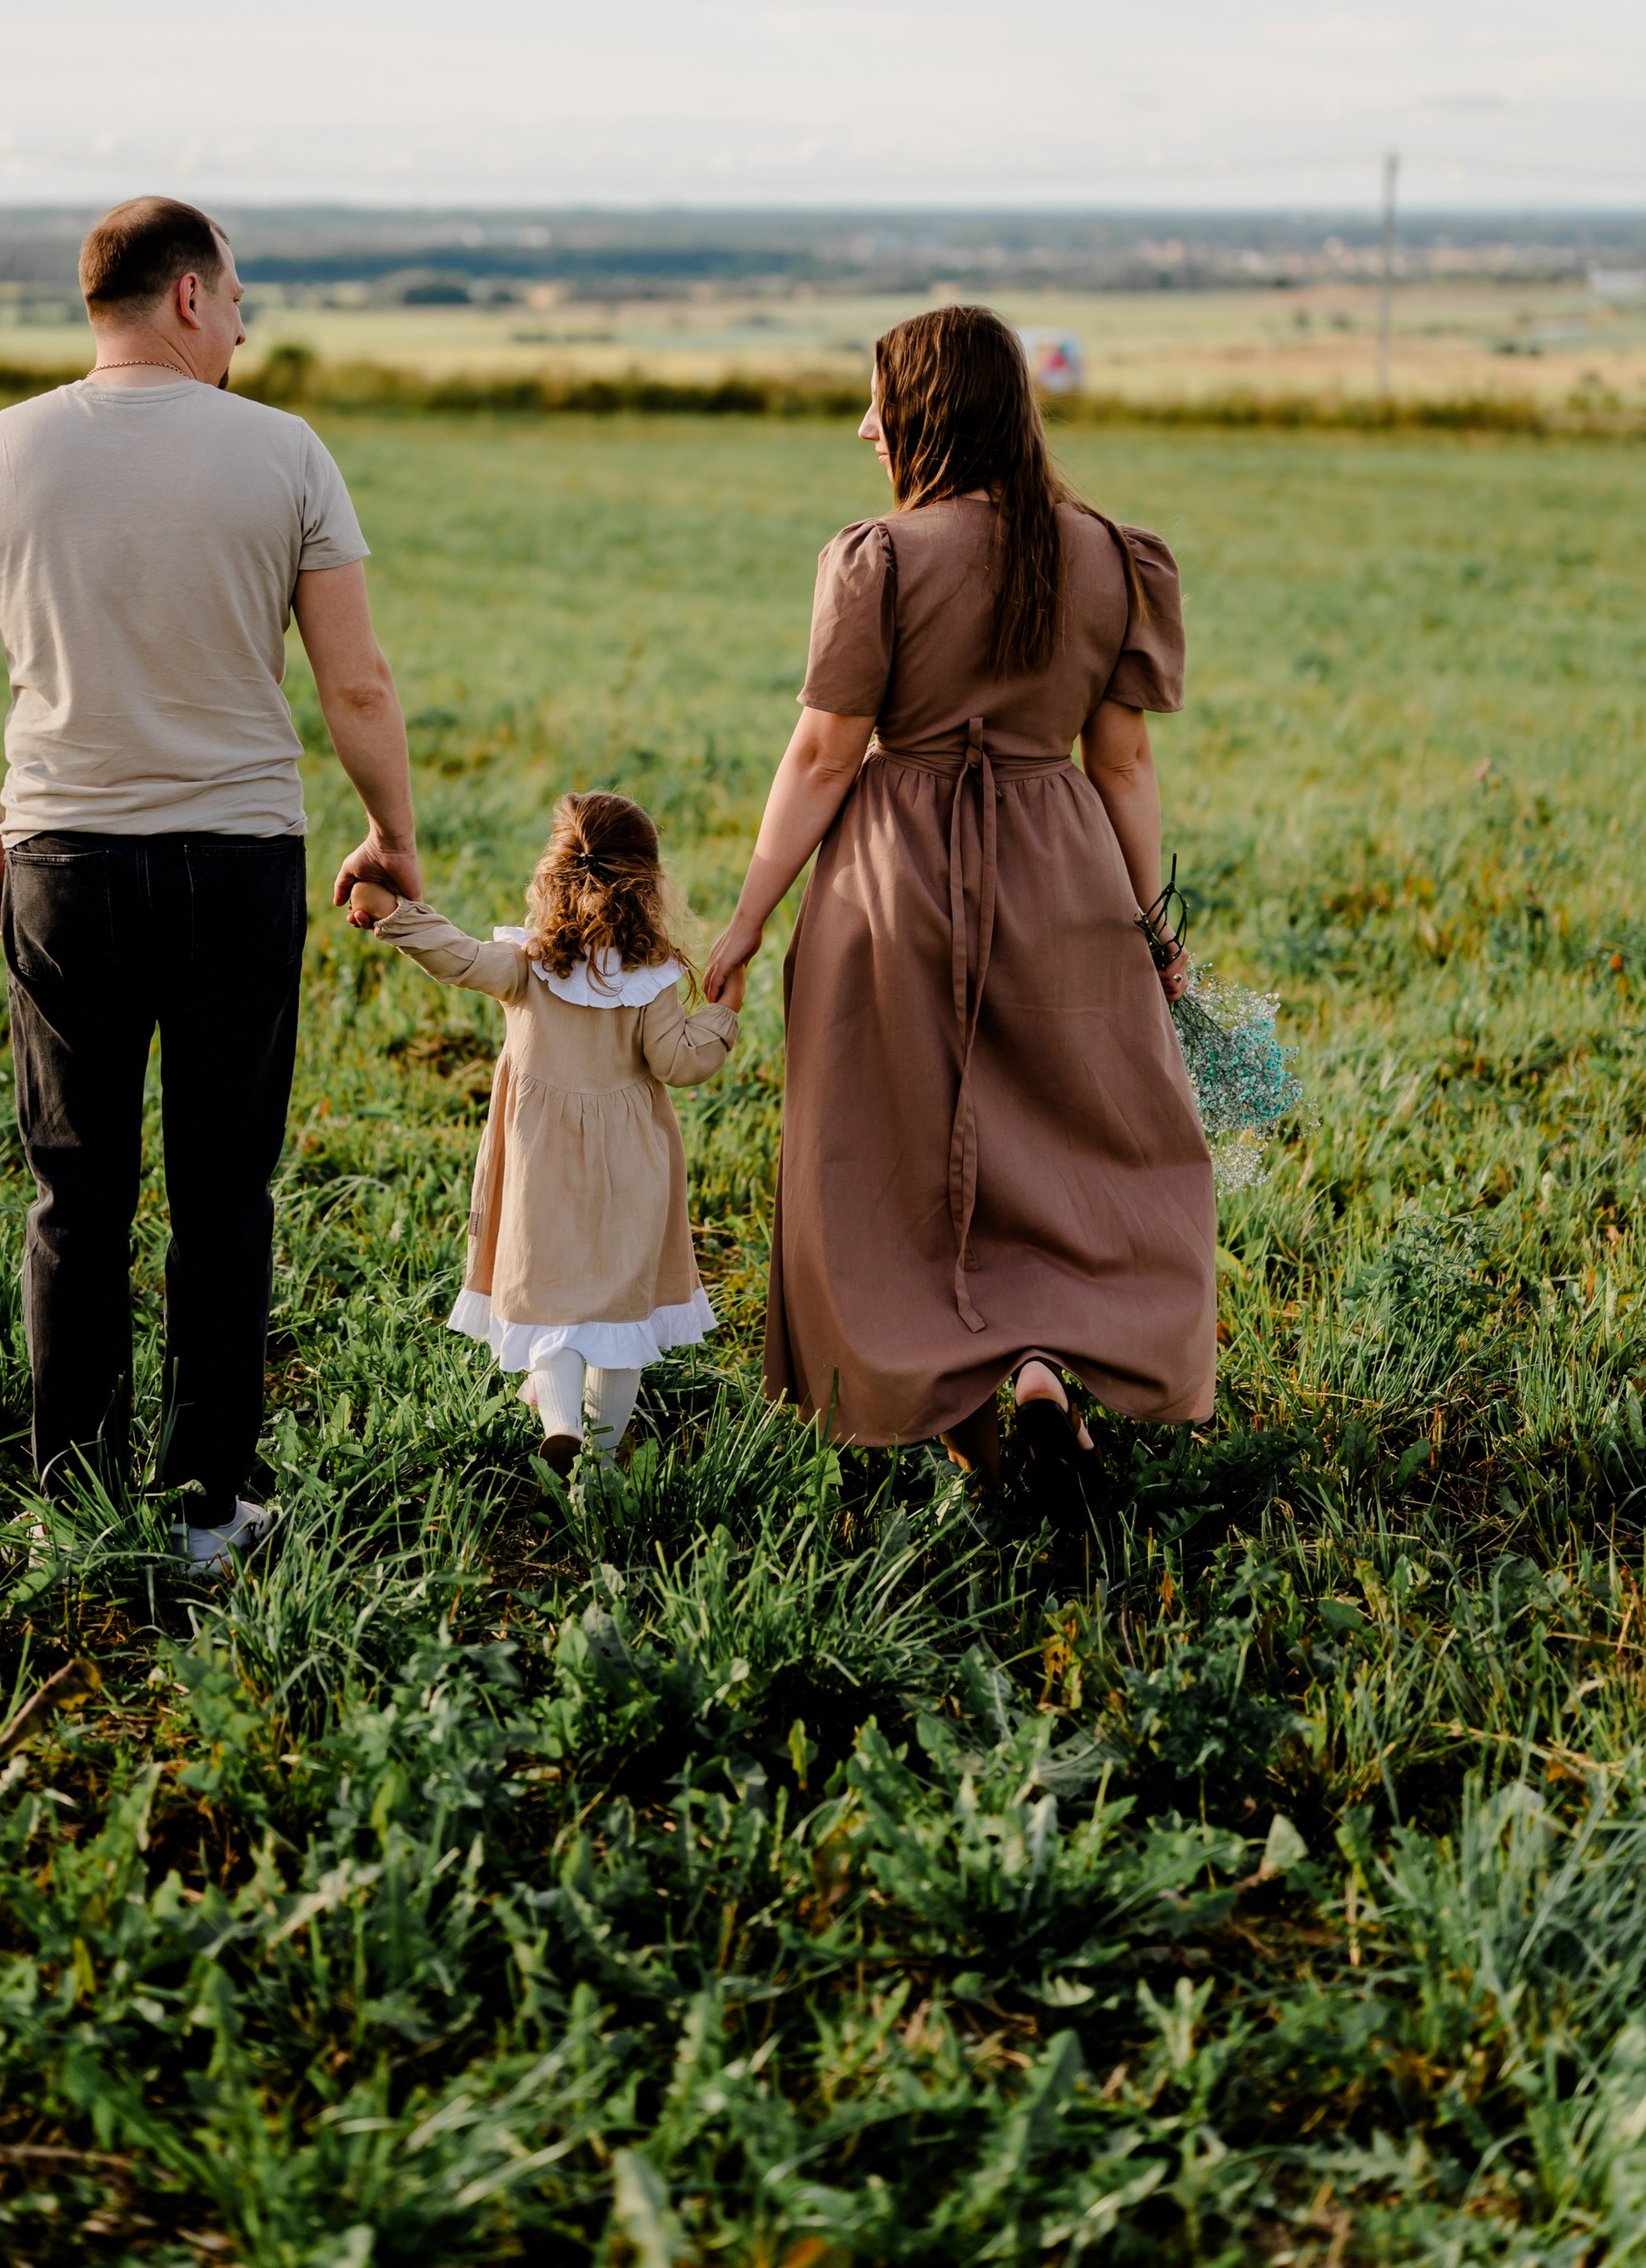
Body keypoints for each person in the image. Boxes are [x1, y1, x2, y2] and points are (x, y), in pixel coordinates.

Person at [0, 195, 421, 1569]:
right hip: (238, 860)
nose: (247, 324)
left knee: (75, 1191)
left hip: (63, 859)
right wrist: (397, 838)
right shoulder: (287, 451)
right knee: (223, 1190)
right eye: (239, 297)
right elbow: (357, 680)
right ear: (190, 296)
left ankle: (68, 1498)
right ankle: (208, 1509)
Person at [702, 304, 1211, 1515]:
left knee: (887, 1152)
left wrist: (747, 917)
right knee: (1069, 1148)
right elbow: (1124, 765)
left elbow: (825, 756)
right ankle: (1044, 1371)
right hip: (1065, 873)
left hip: (895, 878)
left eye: (881, 400)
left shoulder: (878, 556)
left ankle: (975, 1438)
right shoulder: (1108, 555)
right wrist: (1151, 926)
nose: (865, 425)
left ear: (932, 408)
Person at [348, 791, 740, 1478]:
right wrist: (723, 1015)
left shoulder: (528, 964)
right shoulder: (651, 980)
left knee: (549, 1298)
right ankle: (602, 1466)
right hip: (630, 1168)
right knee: (619, 1321)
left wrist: (394, 913)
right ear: (648, 885)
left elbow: (458, 958)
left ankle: (559, 1421)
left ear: (552, 876)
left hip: (540, 1163)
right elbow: (679, 1064)